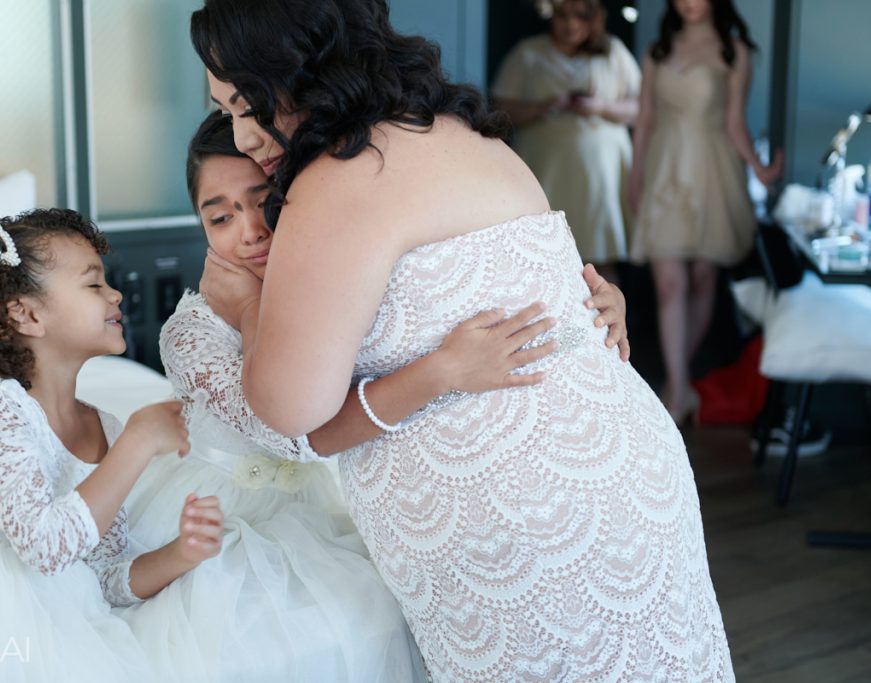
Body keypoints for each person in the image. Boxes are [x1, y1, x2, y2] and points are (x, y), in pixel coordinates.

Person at [190, 0, 733, 680]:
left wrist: (245, 311)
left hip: (528, 525)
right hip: (633, 474)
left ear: (301, 69)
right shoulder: (465, 135)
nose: (241, 136)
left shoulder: (334, 179)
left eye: (247, 105)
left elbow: (287, 410)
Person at [117, 110, 631, 682]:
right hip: (231, 514)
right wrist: (249, 310)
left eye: (264, 202)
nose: (250, 230)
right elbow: (285, 431)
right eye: (219, 216)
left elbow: (465, 314)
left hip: (355, 499)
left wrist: (585, 311)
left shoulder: (347, 274)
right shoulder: (190, 334)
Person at [0, 209, 223, 681]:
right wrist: (141, 438)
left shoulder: (104, 427)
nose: (115, 294)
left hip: (63, 603)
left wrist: (182, 553)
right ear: (26, 314)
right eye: (93, 285)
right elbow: (44, 548)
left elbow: (105, 575)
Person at [629, 0, 783, 423]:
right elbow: (644, 118)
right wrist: (635, 178)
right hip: (664, 169)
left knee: (700, 279)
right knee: (669, 284)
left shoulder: (735, 50)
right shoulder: (658, 49)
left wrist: (760, 169)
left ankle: (677, 385)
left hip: (713, 169)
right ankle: (677, 392)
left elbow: (736, 122)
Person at [493, 0, 640, 281]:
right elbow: (500, 108)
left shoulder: (612, 51)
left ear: (593, 18)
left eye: (580, 17)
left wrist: (600, 107)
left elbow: (640, 109)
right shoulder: (528, 52)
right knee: (544, 260)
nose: (571, 25)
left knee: (601, 261)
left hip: (601, 178)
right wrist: (543, 106)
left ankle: (607, 322)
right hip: (548, 172)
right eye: (563, 16)